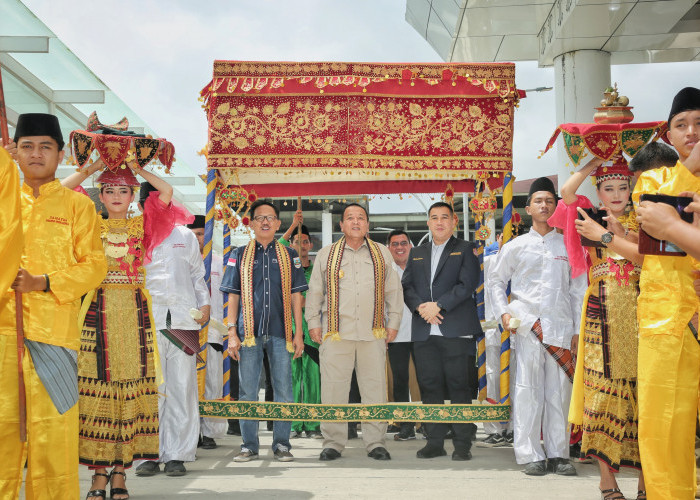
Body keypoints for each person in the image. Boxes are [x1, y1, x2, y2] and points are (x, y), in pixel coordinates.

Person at [61, 155, 186, 499]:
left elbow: (167, 190)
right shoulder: (88, 223)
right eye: (109, 190)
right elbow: (58, 193)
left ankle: (120, 474)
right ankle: (98, 475)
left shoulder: (142, 227)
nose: (116, 195)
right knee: (96, 391)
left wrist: (136, 166)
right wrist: (92, 167)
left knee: (130, 391)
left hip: (133, 315)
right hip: (96, 312)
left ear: (133, 196)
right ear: (99, 195)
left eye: (124, 190)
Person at [0, 113, 107, 499]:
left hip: (54, 337)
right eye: (26, 146)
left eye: (45, 146)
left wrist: (42, 283)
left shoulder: (79, 207)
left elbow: (95, 265)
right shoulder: (2, 198)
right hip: (3, 333)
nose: (36, 154)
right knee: (3, 432)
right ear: (14, 151)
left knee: (54, 438)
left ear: (60, 155)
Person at [552, 156, 645, 500]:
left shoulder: (645, 219)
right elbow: (566, 191)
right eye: (609, 188)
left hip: (640, 311)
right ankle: (607, 481)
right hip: (600, 313)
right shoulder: (589, 218)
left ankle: (646, 482)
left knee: (642, 396)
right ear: (599, 191)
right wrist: (594, 161)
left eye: (623, 187)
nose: (617, 194)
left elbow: (646, 260)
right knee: (601, 394)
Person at [490, 177, 587, 477]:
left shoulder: (569, 245)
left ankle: (559, 454)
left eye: (549, 200)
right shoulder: (516, 246)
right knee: (527, 390)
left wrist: (577, 331)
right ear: (529, 207)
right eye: (538, 201)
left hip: (560, 326)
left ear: (556, 205)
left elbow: (578, 289)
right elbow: (495, 281)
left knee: (559, 392)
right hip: (528, 326)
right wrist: (503, 313)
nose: (544, 205)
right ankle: (530, 453)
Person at [631, 86, 700, 500]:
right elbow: (654, 216)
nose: (691, 131)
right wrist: (692, 167)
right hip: (666, 316)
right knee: (661, 421)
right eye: (681, 125)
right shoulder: (656, 179)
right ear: (668, 136)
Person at [306, 203, 403, 461]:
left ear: (368, 224)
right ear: (342, 225)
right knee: (333, 389)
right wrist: (313, 322)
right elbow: (315, 291)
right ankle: (333, 443)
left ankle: (375, 443)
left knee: (375, 389)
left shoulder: (382, 253)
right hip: (336, 333)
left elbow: (393, 291)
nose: (356, 222)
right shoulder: (327, 254)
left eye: (361, 217)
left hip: (373, 333)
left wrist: (393, 323)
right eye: (350, 218)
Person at [220, 200, 307, 462]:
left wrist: (299, 333)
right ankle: (249, 445)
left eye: (270, 218)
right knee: (248, 391)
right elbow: (233, 295)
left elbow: (295, 296)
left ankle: (282, 443)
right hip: (248, 333)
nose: (265, 222)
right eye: (259, 218)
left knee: (283, 390)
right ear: (252, 223)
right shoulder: (239, 253)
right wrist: (231, 332)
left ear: (278, 224)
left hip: (281, 333)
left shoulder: (290, 255)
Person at [135, 183, 210, 478]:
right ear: (142, 205)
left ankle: (178, 454)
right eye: (150, 203)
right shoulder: (133, 234)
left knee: (182, 386)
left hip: (182, 320)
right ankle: (148, 455)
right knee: (151, 390)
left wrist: (204, 305)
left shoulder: (185, 236)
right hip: (146, 320)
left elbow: (197, 275)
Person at [401, 202, 482, 461]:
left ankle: (461, 445)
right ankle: (434, 442)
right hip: (425, 331)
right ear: (428, 222)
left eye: (444, 217)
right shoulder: (417, 252)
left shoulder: (466, 249)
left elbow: (467, 283)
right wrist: (421, 309)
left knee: (459, 387)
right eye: (434, 217)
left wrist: (439, 305)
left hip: (456, 330)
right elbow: (407, 287)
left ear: (454, 221)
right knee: (429, 387)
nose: (439, 222)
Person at [187, 215, 229, 449]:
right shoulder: (180, 261)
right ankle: (190, 432)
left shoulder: (219, 263)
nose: (197, 239)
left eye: (201, 234)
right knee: (188, 385)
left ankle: (210, 432)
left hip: (213, 333)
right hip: (186, 333)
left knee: (212, 383)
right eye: (193, 235)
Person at [280, 213, 322, 439]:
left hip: (312, 332)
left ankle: (314, 425)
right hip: (290, 332)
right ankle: (295, 424)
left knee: (314, 379)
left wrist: (307, 301)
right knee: (292, 379)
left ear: (311, 245)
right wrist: (292, 227)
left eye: (305, 241)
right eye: (297, 241)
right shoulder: (286, 270)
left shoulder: (317, 271)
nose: (302, 245)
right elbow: (278, 244)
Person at [478, 234, 515, 448]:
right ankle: (494, 429)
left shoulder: (520, 252)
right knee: (491, 378)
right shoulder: (490, 256)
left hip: (517, 329)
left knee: (517, 379)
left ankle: (513, 428)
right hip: (492, 328)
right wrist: (496, 250)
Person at [386, 229, 420, 442]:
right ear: (389, 248)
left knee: (426, 381)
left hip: (421, 333)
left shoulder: (421, 268)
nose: (399, 247)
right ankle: (405, 426)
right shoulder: (385, 271)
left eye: (403, 243)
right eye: (395, 244)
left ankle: (427, 424)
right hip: (395, 334)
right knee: (400, 383)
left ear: (410, 245)